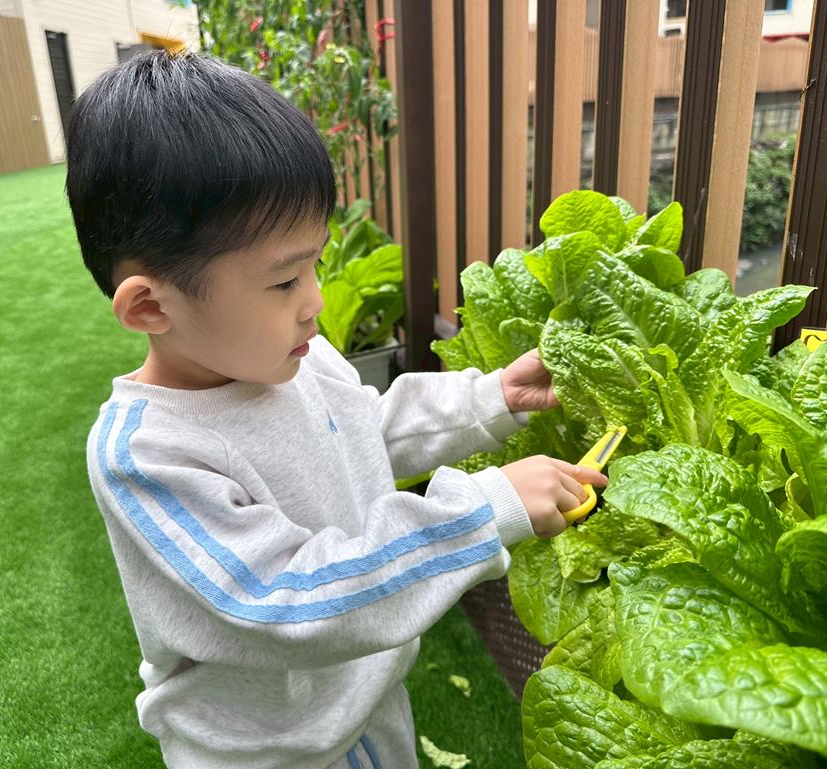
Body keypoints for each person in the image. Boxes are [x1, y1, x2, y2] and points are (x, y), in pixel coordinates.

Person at [69, 50, 606, 769]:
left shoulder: (295, 357)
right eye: (284, 281)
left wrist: (492, 397)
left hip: (368, 701)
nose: (315, 301)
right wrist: (483, 510)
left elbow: (365, 430)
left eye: (315, 264)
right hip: (270, 753)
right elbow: (284, 598)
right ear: (149, 307)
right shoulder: (147, 453)